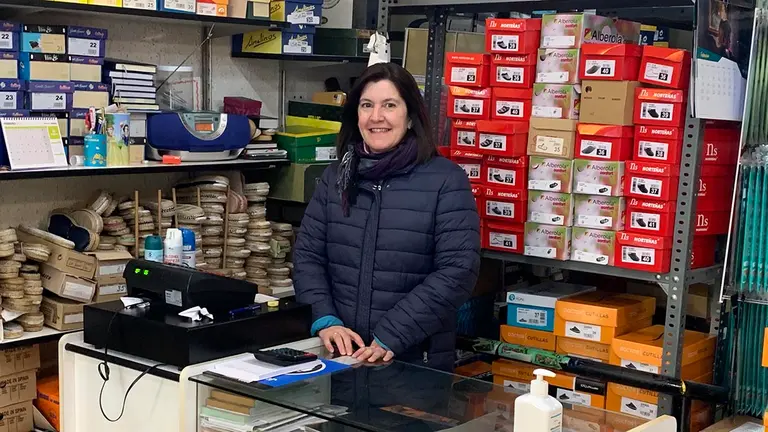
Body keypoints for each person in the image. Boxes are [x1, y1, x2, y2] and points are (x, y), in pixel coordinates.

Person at [293, 62, 481, 372]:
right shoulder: (336, 178)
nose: (376, 117)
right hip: (341, 357)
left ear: (410, 116)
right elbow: (309, 255)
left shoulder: (446, 181)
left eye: (389, 105)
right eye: (367, 105)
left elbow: (458, 270)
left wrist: (390, 336)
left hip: (415, 361)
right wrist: (324, 319)